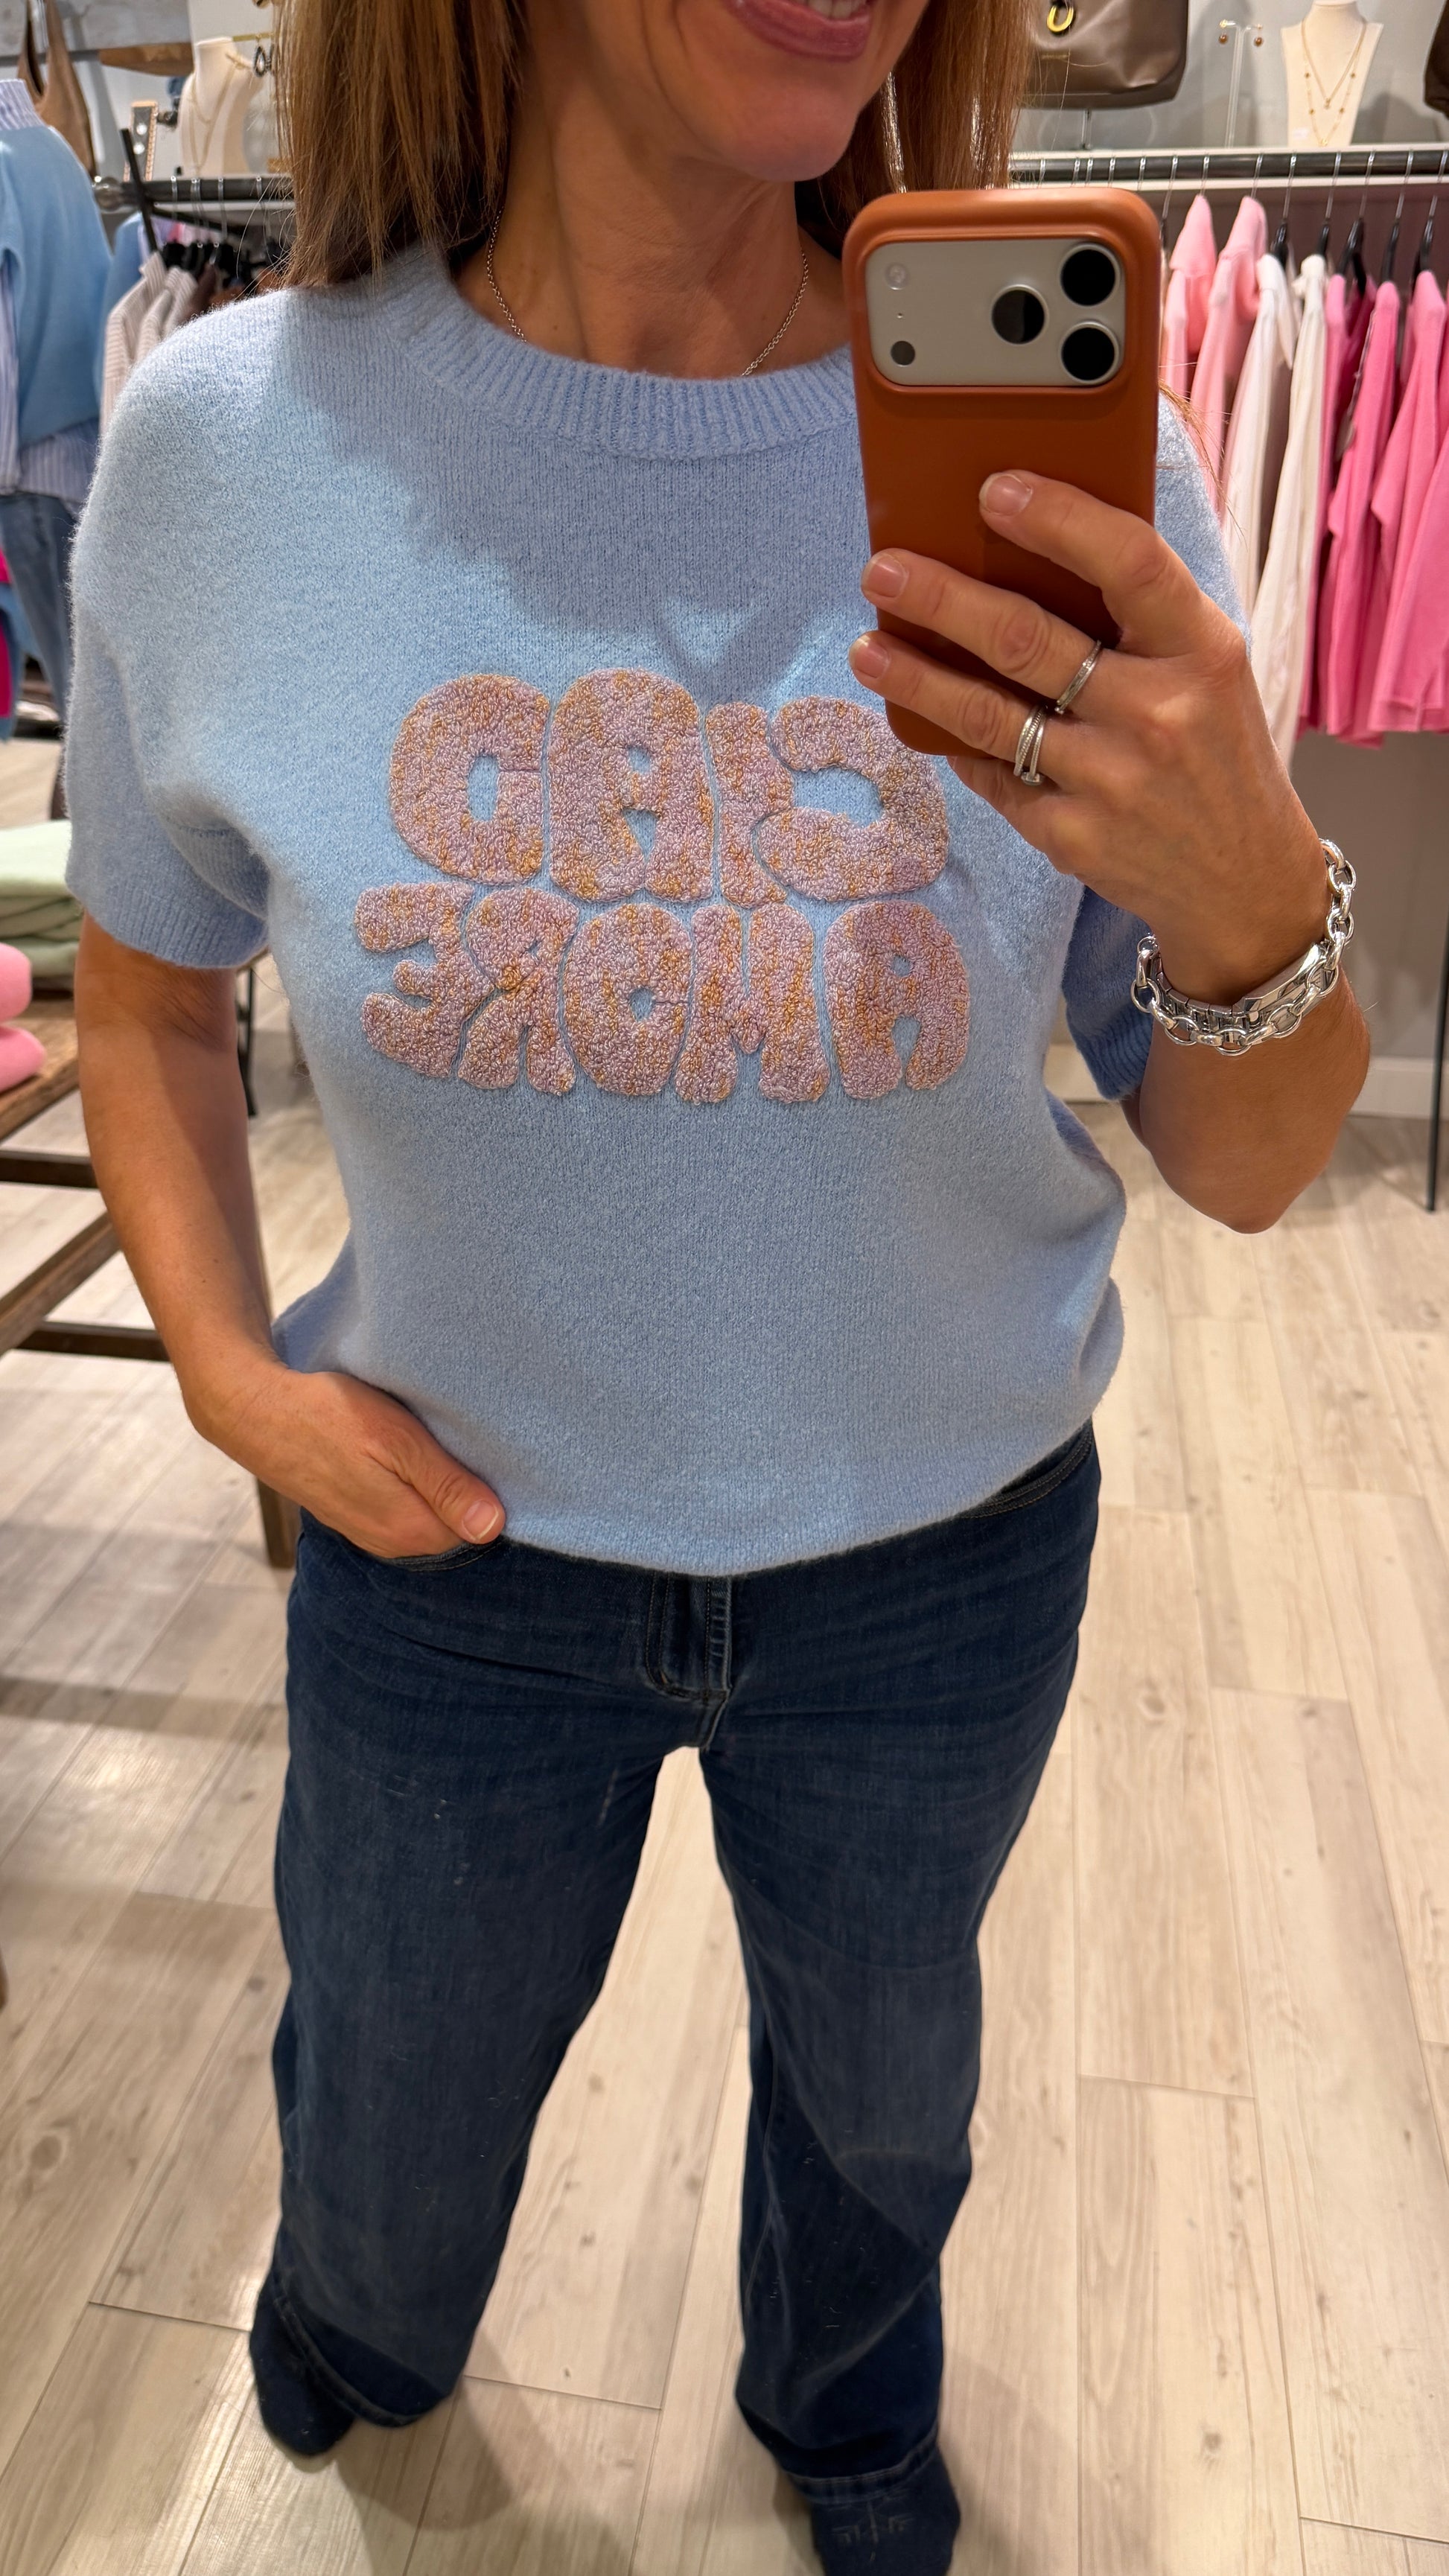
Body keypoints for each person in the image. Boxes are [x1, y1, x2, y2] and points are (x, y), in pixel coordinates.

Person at [64, 0, 1367, 2567]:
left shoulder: (1075, 482)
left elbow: (1245, 1164)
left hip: (936, 1560)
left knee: (885, 2106)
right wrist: (222, 1370)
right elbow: (143, 995)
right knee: (392, 2079)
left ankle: (845, 2403)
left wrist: (1253, 899)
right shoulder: (227, 450)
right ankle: (360, 2322)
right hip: (449, 1552)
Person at [0, 77, 107, 811]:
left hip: (29, 464)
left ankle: (95, 871)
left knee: (84, 717)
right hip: (78, 452)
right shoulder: (53, 148)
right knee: (91, 701)